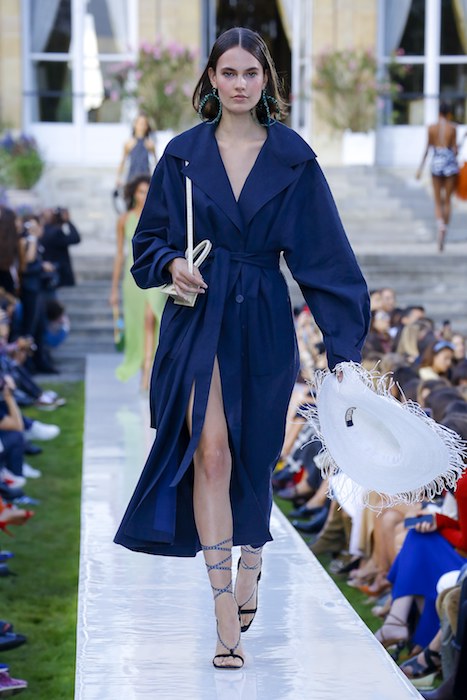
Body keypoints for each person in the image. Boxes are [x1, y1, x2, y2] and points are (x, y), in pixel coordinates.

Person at [114, 27, 370, 670]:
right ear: (211, 78)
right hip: (197, 318)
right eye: (227, 73)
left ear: (266, 81)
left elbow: (326, 258)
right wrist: (172, 263)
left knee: (254, 453)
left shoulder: (293, 158)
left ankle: (251, 558)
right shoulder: (181, 155)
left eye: (250, 73)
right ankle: (223, 610)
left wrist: (342, 350)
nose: (238, 84)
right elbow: (147, 245)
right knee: (212, 453)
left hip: (261, 317)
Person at [109, 176, 166, 390]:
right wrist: (114, 289)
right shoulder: (124, 219)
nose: (145, 195)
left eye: (148, 191)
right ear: (133, 193)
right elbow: (119, 254)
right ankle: (144, 370)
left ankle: (150, 370)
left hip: (154, 273)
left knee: (151, 318)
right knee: (137, 324)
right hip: (132, 277)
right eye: (141, 191)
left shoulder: (160, 216)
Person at [416, 102, 459, 252]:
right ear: (448, 113)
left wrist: (420, 169)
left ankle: (440, 224)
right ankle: (445, 227)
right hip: (449, 162)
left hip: (437, 162)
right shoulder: (452, 128)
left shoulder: (431, 128)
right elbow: (455, 151)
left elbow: (427, 149)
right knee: (447, 200)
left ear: (438, 113)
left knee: (437, 200)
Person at [115, 114, 156, 189]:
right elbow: (122, 162)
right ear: (135, 125)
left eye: (144, 124)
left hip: (145, 179)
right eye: (140, 123)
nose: (142, 126)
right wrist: (118, 178)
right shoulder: (129, 143)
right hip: (132, 178)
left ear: (147, 126)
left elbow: (156, 162)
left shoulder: (150, 144)